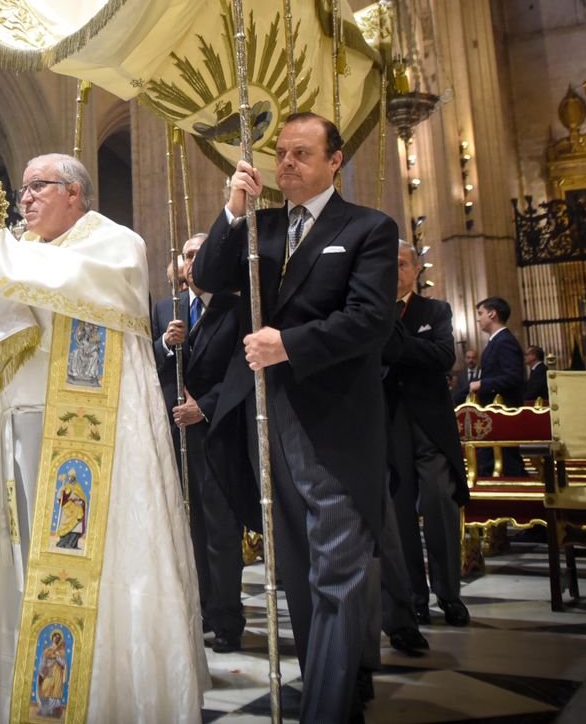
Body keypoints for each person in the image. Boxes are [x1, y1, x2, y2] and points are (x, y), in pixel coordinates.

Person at [0, 153, 204, 722]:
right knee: (28, 558)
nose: (26, 198)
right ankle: (30, 684)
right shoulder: (22, 252)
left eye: (39, 187)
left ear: (75, 194)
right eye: (24, 188)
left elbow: (69, 283)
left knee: (99, 564)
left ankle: (108, 688)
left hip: (96, 439)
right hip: (23, 422)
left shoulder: (115, 244)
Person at [192, 112, 398, 724]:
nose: (286, 164)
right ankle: (332, 692)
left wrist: (292, 343)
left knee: (337, 567)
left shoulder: (367, 229)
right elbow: (207, 277)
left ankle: (327, 712)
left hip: (333, 420)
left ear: (335, 161)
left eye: (301, 154)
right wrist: (233, 205)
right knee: (301, 570)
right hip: (266, 416)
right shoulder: (263, 228)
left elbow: (370, 320)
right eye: (281, 153)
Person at [155, 233, 245, 652]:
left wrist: (203, 407)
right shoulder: (164, 310)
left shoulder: (236, 306)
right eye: (188, 255)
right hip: (173, 433)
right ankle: (201, 610)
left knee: (220, 529)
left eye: (201, 255)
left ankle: (227, 618)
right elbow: (146, 363)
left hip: (217, 430)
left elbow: (241, 372)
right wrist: (165, 345)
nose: (194, 263)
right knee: (185, 527)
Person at [384, 240, 471, 628]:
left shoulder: (436, 310)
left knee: (440, 505)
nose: (395, 270)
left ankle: (449, 594)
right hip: (389, 422)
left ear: (416, 269)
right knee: (399, 514)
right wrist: (411, 349)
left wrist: (399, 346)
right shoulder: (373, 312)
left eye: (402, 263)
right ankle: (414, 597)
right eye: (389, 264)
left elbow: (443, 357)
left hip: (430, 425)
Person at [474, 296, 527, 478]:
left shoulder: (504, 341)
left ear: (492, 313)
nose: (478, 318)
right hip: (493, 413)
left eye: (480, 313)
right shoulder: (497, 341)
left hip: (503, 412)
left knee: (507, 464)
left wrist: (482, 383)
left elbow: (513, 377)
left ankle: (520, 502)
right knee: (493, 462)